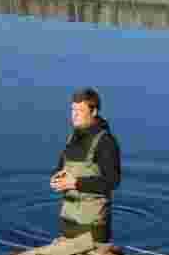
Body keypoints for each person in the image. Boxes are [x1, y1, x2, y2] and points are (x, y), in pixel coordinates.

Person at [50, 88, 121, 243]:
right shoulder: (72, 138)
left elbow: (112, 181)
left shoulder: (106, 142)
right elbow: (61, 168)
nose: (74, 115)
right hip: (67, 224)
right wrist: (56, 177)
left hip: (92, 229)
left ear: (94, 111)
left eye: (80, 110)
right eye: (73, 110)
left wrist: (75, 183)